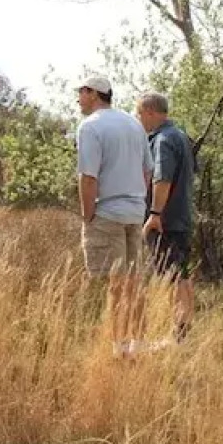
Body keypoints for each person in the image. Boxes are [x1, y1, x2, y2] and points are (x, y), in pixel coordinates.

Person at [75, 76, 151, 357]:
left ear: (95, 94)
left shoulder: (90, 126)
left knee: (116, 283)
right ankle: (138, 343)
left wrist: (88, 216)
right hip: (135, 210)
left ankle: (120, 348)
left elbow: (88, 177)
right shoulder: (134, 123)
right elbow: (147, 170)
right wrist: (137, 198)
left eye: (82, 92)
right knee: (134, 279)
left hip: (108, 211)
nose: (78, 98)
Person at [137, 91, 196, 343]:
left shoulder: (162, 140)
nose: (138, 120)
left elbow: (163, 178)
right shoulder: (181, 136)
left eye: (139, 114)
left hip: (167, 221)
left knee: (173, 277)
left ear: (150, 112)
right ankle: (184, 331)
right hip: (181, 217)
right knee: (180, 275)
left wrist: (154, 214)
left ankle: (179, 335)